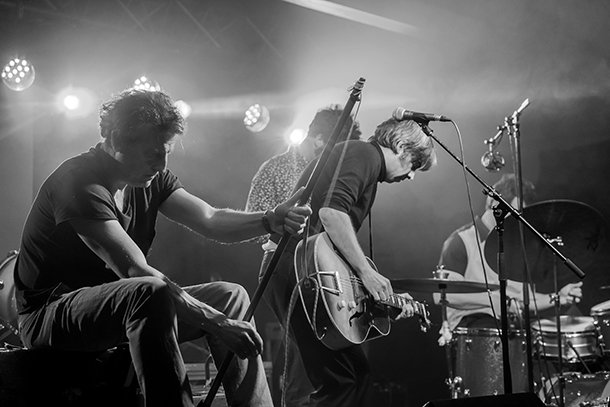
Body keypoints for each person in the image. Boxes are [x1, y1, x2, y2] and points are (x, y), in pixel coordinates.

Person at [14, 88, 312, 407]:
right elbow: (135, 271)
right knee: (149, 291)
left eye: (166, 152)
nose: (161, 164)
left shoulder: (150, 178)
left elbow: (210, 219)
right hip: (50, 315)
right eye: (152, 153)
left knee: (231, 297)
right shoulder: (78, 182)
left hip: (120, 308)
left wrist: (269, 220)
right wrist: (218, 324)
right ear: (115, 139)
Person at [261, 117, 437, 406]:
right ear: (401, 146)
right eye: (415, 164)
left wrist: (381, 297)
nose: (411, 176)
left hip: (301, 269)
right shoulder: (364, 153)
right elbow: (331, 214)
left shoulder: (363, 159)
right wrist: (366, 272)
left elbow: (332, 249)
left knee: (350, 377)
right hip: (296, 269)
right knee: (344, 380)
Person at [245, 105, 361, 406]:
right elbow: (254, 225)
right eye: (337, 148)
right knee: (302, 358)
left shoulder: (332, 171)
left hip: (322, 273)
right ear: (320, 139)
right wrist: (287, 235)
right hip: (286, 267)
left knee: (330, 354)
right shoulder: (275, 167)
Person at [437, 173, 583, 332]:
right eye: (513, 213)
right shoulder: (461, 241)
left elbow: (523, 301)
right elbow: (442, 294)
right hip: (473, 327)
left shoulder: (516, 245)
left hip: (512, 324)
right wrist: (496, 300)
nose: (516, 221)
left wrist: (558, 297)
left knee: (571, 323)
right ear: (493, 202)